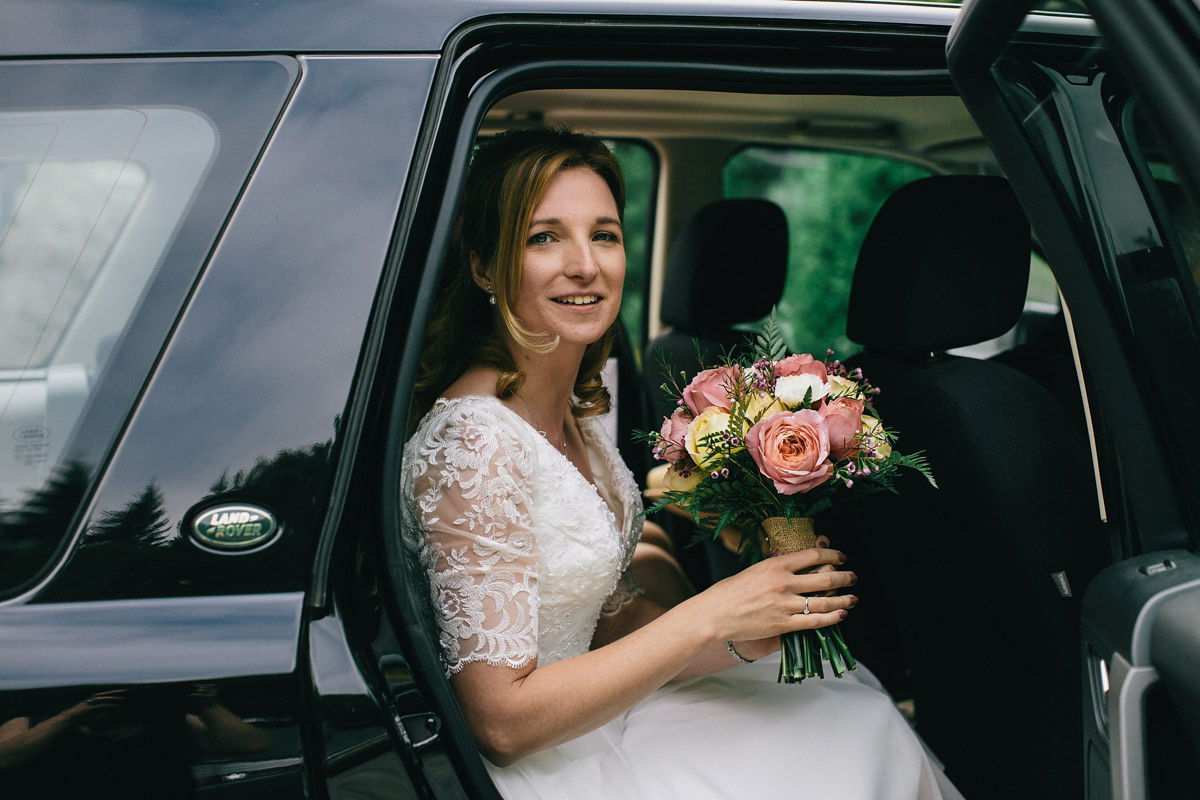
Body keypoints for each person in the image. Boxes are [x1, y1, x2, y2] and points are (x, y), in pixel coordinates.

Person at [399, 126, 963, 799]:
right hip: (544, 766)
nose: (585, 264)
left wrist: (751, 634)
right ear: (484, 266)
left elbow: (609, 621)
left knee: (849, 704)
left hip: (601, 715)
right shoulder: (475, 442)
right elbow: (501, 721)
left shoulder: (575, 417)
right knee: (855, 738)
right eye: (543, 237)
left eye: (604, 234)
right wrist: (712, 616)